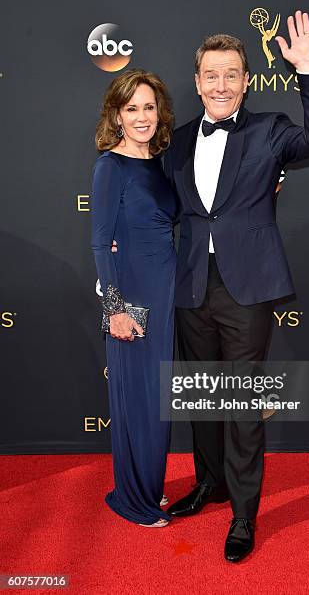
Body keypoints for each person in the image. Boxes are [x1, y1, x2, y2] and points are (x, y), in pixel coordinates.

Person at [163, 10, 309, 561]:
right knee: (201, 397)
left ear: (246, 81)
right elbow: (159, 205)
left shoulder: (270, 131)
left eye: (231, 74)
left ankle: (243, 513)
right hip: (191, 284)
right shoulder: (178, 139)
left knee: (240, 402)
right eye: (210, 74)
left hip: (248, 286)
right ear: (197, 81)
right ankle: (209, 483)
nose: (220, 84)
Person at [91, 69, 177, 527]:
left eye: (149, 106)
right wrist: (114, 310)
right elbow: (100, 243)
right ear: (117, 115)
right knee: (138, 399)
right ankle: (134, 499)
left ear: (159, 111)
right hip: (133, 299)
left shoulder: (159, 162)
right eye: (132, 108)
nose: (142, 117)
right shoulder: (111, 165)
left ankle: (147, 486)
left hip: (164, 296)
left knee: (155, 398)